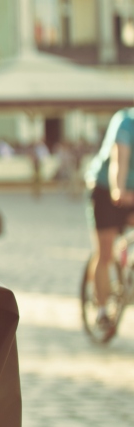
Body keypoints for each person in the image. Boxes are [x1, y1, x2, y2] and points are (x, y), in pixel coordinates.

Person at [84, 107, 134, 331]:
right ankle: (102, 310)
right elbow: (119, 161)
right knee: (105, 252)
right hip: (107, 189)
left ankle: (124, 256)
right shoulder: (125, 121)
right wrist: (118, 189)